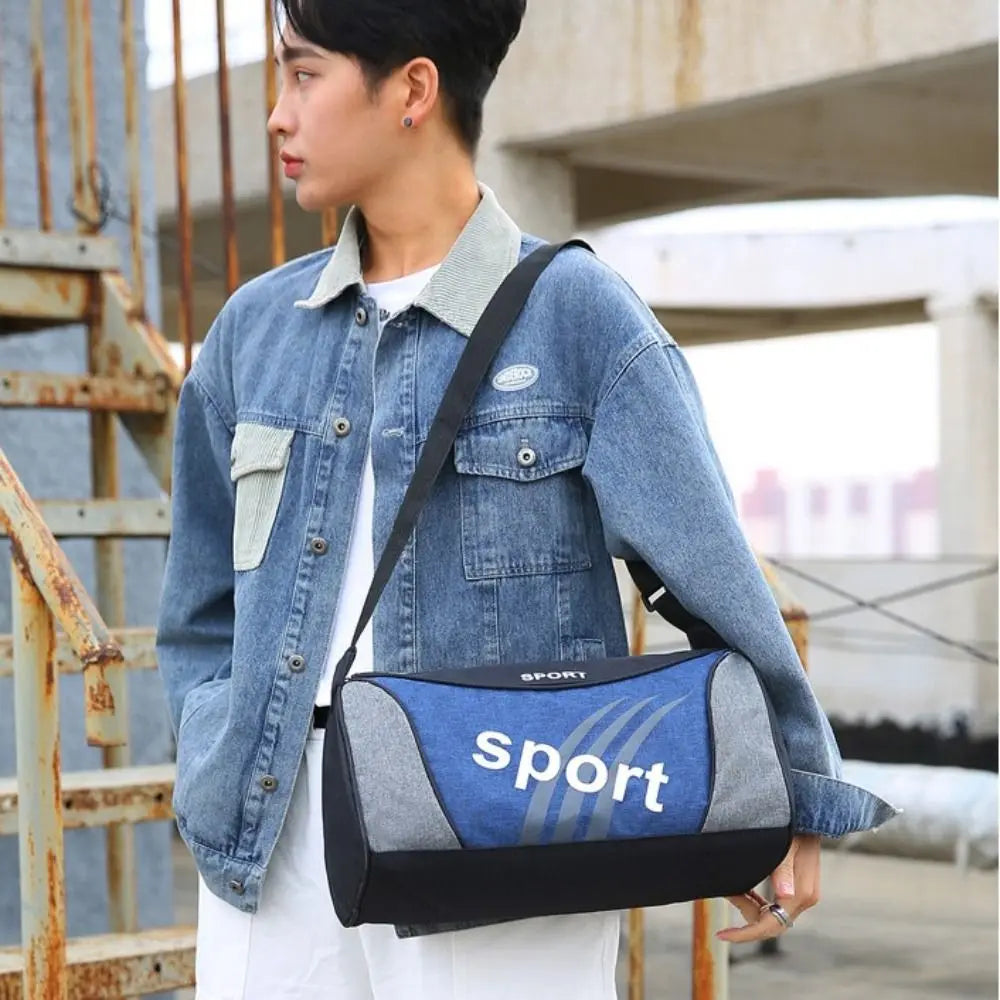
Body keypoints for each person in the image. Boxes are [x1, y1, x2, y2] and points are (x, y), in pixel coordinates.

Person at [156, 2, 897, 997]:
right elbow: (199, 607)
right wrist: (213, 736)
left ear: (412, 89)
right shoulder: (257, 331)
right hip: (271, 827)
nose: (276, 115)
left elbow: (711, 571)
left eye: (302, 75)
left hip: (495, 827)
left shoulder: (576, 317)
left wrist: (791, 788)